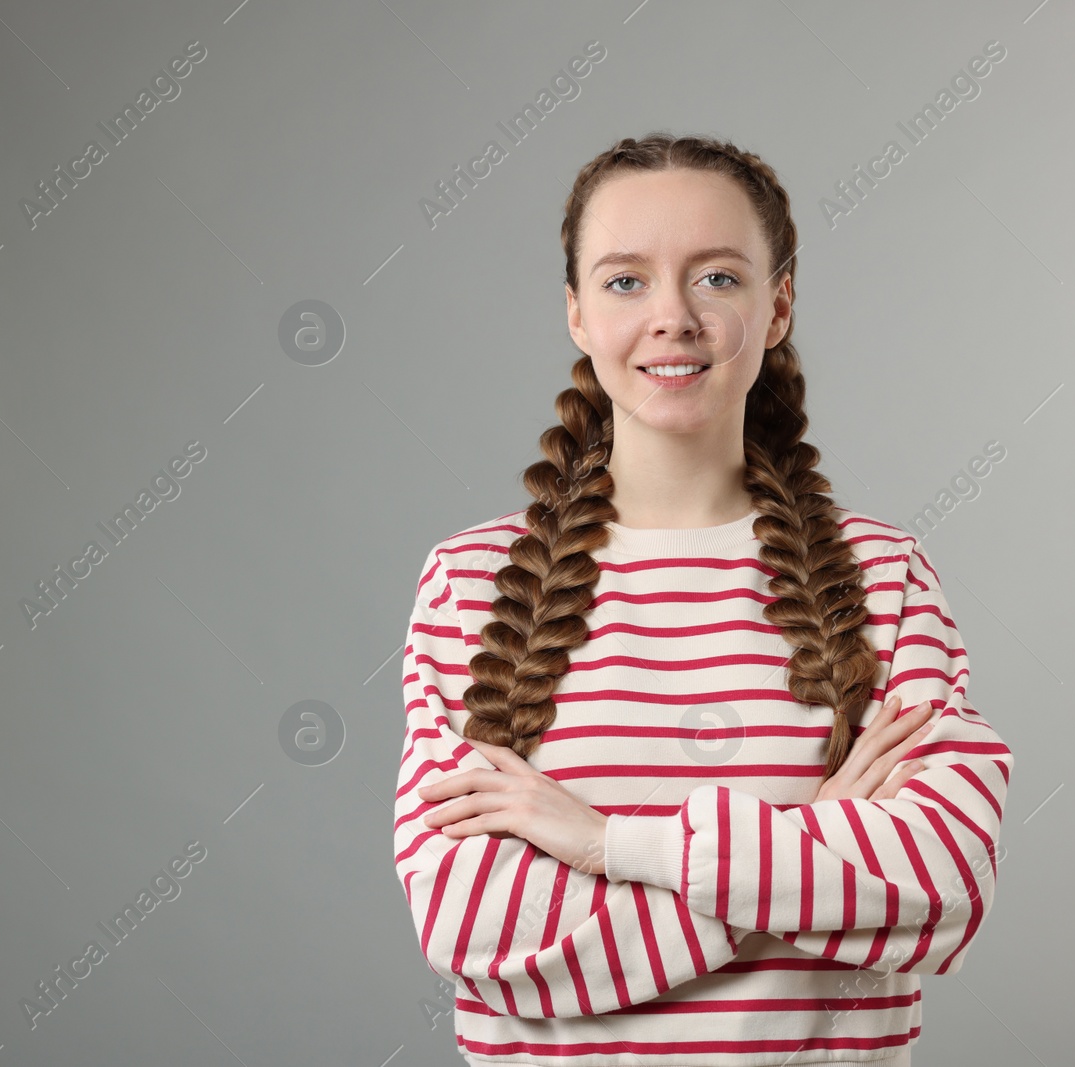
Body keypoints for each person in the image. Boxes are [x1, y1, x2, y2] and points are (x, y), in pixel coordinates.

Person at [393, 132, 1014, 1067]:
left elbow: (943, 887)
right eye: (624, 280)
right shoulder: (472, 585)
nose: (673, 316)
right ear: (575, 314)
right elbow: (475, 928)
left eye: (718, 278)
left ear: (778, 308)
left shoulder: (885, 578)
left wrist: (609, 844)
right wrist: (811, 852)